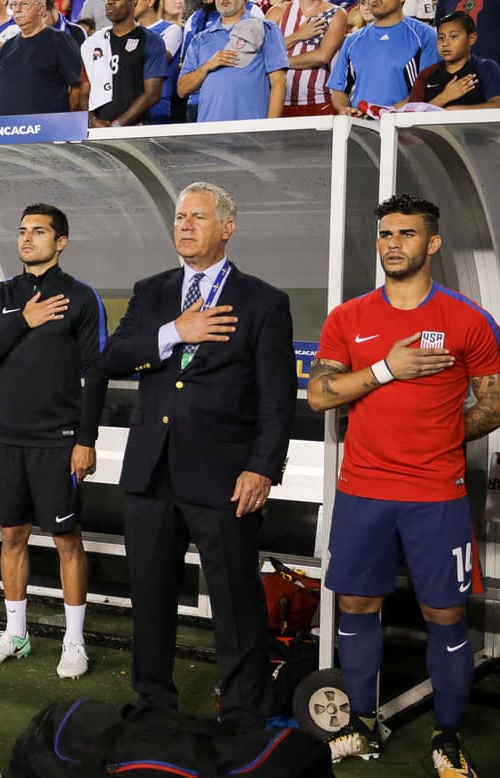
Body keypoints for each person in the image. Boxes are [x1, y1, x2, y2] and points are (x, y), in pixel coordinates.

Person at [308, 194, 500, 778]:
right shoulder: (349, 317)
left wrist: (442, 434)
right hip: (363, 491)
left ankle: (447, 736)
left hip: (436, 495)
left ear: (432, 243)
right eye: (385, 233)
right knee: (356, 602)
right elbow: (320, 394)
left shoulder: (467, 319)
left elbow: (492, 404)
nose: (393, 243)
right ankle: (362, 723)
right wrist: (386, 369)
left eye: (407, 234)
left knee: (444, 613)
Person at [99, 182, 295, 731]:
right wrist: (172, 332)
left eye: (198, 218)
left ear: (226, 228)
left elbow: (277, 399)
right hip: (151, 472)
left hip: (225, 477)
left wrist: (262, 467)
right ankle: (154, 708)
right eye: (180, 217)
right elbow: (112, 357)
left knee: (236, 604)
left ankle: (242, 715)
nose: (184, 226)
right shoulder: (153, 291)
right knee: (151, 598)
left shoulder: (263, 301)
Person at [0, 203, 108, 679]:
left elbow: (96, 374)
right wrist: (23, 320)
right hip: (8, 438)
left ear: (61, 242)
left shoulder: (81, 298)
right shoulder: (0, 297)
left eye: (39, 232)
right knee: (12, 535)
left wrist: (85, 440)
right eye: (23, 231)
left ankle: (74, 641)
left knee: (67, 540)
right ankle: (16, 633)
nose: (27, 239)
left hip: (59, 441)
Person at [177, 0, 288, 121]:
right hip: (209, 132)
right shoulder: (200, 39)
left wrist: (270, 130)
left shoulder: (266, 28)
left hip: (252, 131)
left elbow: (279, 82)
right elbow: (182, 90)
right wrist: (206, 67)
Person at [327, 0, 438, 114]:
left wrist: (380, 113)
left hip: (405, 124)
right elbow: (339, 90)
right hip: (360, 125)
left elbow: (427, 90)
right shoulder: (352, 41)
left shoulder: (425, 35)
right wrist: (345, 110)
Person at [81, 0, 167, 126]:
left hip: (136, 129)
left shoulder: (151, 41)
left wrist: (118, 125)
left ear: (134, 2)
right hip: (98, 130)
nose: (110, 2)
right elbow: (84, 91)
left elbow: (152, 94)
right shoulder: (93, 43)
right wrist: (92, 121)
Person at [0, 0, 83, 115]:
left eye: (24, 4)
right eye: (14, 5)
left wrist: (68, 120)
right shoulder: (7, 47)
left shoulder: (59, 40)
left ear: (41, 9)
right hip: (10, 128)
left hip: (49, 128)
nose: (17, 9)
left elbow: (78, 86)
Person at [402, 12, 500, 109]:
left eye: (453, 36)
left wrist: (454, 111)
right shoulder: (426, 75)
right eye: (441, 38)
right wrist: (444, 98)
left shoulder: (486, 68)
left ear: (471, 39)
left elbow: (497, 105)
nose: (445, 43)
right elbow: (411, 114)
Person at [266, 0, 346, 116]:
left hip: (318, 101)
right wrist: (298, 35)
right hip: (277, 104)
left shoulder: (336, 13)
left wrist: (277, 63)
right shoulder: (277, 12)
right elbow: (263, 53)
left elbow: (322, 57)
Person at [134, 0, 182, 123]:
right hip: (129, 104)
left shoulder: (171, 30)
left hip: (158, 106)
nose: (131, 3)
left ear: (150, 2)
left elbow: (157, 61)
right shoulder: (127, 32)